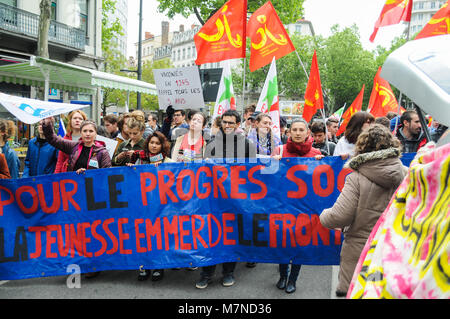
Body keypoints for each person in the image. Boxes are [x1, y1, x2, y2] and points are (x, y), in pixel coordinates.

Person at [320, 124, 407, 297]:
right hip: (397, 250)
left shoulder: (356, 178)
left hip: (362, 252)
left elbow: (339, 216)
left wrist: (323, 215)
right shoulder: (408, 173)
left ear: (361, 147)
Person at [197, 110, 256, 289]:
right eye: (224, 122)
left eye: (231, 122)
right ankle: (206, 273)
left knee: (231, 236)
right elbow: (201, 169)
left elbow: (253, 173)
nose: (227, 125)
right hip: (213, 199)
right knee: (211, 235)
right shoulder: (212, 142)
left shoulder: (247, 144)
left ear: (238, 124)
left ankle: (228, 272)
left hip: (235, 199)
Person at [272, 118, 323, 293]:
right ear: (289, 132)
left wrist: (323, 164)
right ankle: (282, 275)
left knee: (300, 243)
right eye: (295, 130)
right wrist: (274, 164)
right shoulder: (279, 150)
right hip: (282, 206)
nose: (298, 133)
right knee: (283, 243)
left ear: (308, 132)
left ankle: (293, 279)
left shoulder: (316, 153)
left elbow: (322, 182)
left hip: (304, 208)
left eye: (302, 130)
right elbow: (266, 180)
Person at [127, 130, 174, 282]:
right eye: (152, 143)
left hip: (161, 206)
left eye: (157, 143)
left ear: (162, 146)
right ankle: (144, 266)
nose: (154, 146)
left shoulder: (168, 162)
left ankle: (159, 266)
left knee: (159, 236)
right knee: (142, 236)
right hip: (142, 205)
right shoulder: (140, 160)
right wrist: (129, 170)